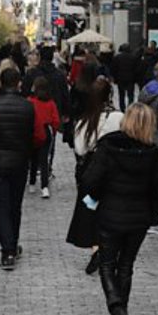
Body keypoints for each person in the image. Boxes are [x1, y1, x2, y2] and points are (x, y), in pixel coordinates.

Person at [80, 103, 158, 315]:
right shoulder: (152, 153)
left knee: (107, 263)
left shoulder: (108, 146)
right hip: (138, 217)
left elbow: (90, 180)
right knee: (126, 265)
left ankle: (115, 305)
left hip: (110, 213)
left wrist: (95, 196)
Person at [0, 68, 40, 270]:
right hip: (20, 162)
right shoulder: (29, 106)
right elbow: (39, 136)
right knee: (15, 206)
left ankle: (7, 251)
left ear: (0, 83)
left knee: (2, 208)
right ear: (19, 83)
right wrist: (27, 151)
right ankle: (13, 244)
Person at [67, 79, 123, 274]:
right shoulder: (119, 117)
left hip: (90, 174)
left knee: (91, 207)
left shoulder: (85, 120)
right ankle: (108, 246)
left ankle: (96, 247)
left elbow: (80, 149)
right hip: (114, 171)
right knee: (110, 208)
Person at [28, 77, 62, 199]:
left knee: (33, 158)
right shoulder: (51, 103)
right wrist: (53, 131)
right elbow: (56, 120)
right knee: (44, 160)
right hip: (46, 130)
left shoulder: (30, 101)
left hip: (33, 131)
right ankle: (44, 187)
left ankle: (32, 183)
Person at [111, 44, 140, 110]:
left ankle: (122, 109)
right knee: (130, 95)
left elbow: (113, 69)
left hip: (120, 79)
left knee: (121, 95)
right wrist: (136, 78)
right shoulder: (133, 57)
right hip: (131, 79)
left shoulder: (117, 57)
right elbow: (137, 69)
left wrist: (115, 78)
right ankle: (130, 108)